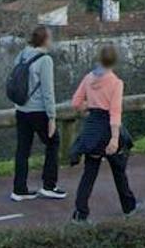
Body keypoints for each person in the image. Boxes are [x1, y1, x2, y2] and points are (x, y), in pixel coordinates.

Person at [68, 44, 137, 222]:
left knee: (89, 173)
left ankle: (80, 212)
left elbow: (76, 102)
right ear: (114, 61)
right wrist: (114, 139)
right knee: (118, 169)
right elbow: (115, 113)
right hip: (107, 128)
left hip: (92, 128)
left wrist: (89, 108)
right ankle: (129, 206)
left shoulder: (89, 78)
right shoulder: (115, 83)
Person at [10, 25, 66, 201]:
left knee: (22, 150)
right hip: (39, 111)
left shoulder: (22, 55)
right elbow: (48, 91)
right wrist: (52, 117)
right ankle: (49, 185)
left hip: (21, 110)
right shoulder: (45, 60)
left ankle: (19, 189)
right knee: (53, 142)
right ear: (45, 40)